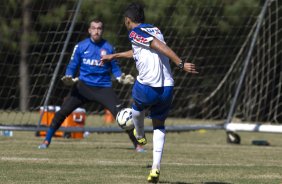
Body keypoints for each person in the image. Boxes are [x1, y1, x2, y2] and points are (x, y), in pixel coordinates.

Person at [100, 3, 198, 183]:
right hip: (167, 87)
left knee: (136, 108)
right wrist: (115, 56)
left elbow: (156, 45)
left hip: (148, 86)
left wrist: (180, 63)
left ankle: (139, 134)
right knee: (159, 125)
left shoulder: (133, 32)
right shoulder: (155, 29)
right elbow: (141, 49)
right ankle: (155, 168)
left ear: (127, 20)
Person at [38, 18, 145, 153]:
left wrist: (120, 77)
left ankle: (138, 145)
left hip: (103, 87)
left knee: (123, 115)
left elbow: (115, 67)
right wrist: (69, 77)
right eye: (93, 28)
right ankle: (46, 140)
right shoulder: (81, 46)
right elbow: (72, 65)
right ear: (89, 30)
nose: (96, 31)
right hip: (83, 88)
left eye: (99, 28)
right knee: (62, 112)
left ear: (102, 30)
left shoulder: (109, 47)